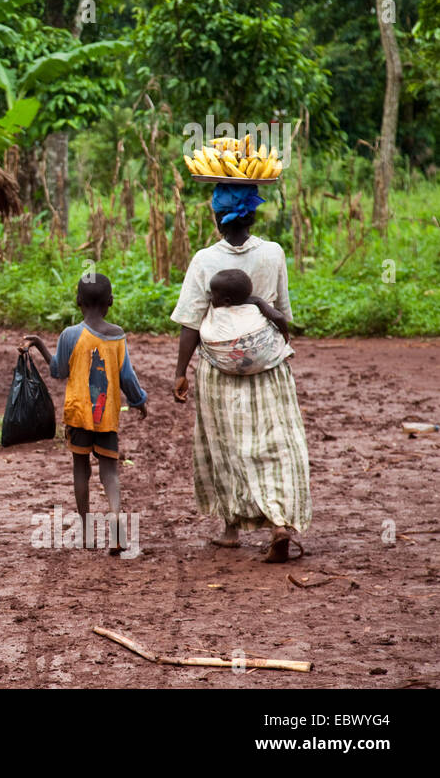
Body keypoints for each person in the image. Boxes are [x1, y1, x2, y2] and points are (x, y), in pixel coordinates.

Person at [171, 185, 311, 563]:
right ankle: (280, 520)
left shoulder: (204, 260)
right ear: (253, 215)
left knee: (225, 447)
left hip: (219, 370)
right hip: (268, 368)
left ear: (217, 217)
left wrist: (181, 372)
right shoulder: (273, 253)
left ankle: (231, 528)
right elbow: (283, 310)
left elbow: (190, 321)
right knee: (277, 443)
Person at [22, 272, 148, 555]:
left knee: (81, 468)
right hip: (107, 416)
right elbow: (127, 377)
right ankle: (116, 527)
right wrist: (139, 400)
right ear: (110, 302)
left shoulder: (70, 335)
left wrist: (40, 344)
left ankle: (87, 532)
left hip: (78, 414)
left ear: (78, 301)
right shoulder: (118, 336)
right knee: (110, 471)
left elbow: (58, 371)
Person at [198, 268, 294, 375]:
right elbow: (278, 317)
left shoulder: (216, 313)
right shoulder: (255, 302)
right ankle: (283, 352)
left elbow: (204, 332)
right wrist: (285, 334)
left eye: (212, 294)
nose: (210, 297)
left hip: (225, 366)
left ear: (226, 301)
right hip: (262, 359)